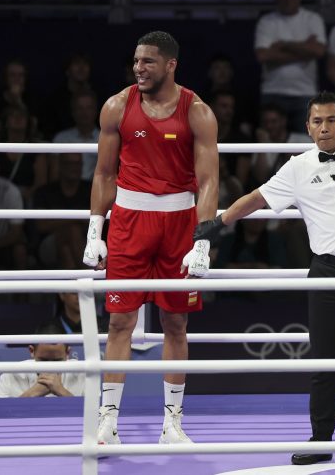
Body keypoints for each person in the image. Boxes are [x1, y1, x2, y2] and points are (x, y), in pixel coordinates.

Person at [192, 24, 335, 466]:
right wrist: (219, 221)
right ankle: (319, 441)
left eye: (333, 119)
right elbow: (257, 197)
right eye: (318, 120)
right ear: (308, 126)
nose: (326, 127)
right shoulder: (296, 167)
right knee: (323, 363)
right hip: (327, 273)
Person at [81, 31, 219, 446]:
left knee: (176, 322)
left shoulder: (197, 112)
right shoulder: (117, 107)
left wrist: (203, 240)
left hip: (179, 222)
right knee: (120, 321)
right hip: (129, 222)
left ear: (171, 64)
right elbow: (104, 173)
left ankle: (172, 424)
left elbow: (209, 180)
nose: (139, 68)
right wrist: (95, 231)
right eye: (136, 61)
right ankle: (108, 422)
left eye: (148, 62)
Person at [254, 0, 327, 133]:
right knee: (268, 145)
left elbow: (318, 51)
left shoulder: (312, 19)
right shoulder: (267, 22)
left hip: (305, 93)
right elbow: (263, 55)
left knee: (306, 144)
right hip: (273, 91)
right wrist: (304, 49)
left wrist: (283, 45)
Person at [0, 322, 85, 398]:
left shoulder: (83, 374)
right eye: (44, 360)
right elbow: (1, 414)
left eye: (57, 361)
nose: (50, 368)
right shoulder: (10, 375)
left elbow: (97, 414)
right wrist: (32, 393)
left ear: (67, 353)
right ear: (32, 351)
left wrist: (61, 391)